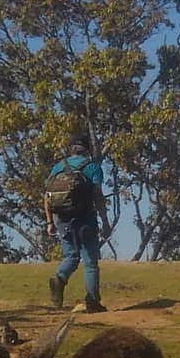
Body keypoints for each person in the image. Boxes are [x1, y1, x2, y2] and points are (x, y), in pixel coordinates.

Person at [44, 134, 110, 313]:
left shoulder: (58, 167)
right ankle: (92, 301)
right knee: (90, 261)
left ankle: (59, 278)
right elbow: (98, 196)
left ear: (70, 149)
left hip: (63, 221)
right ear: (87, 150)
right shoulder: (93, 167)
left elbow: (47, 196)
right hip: (86, 219)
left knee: (71, 256)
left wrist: (50, 221)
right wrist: (105, 220)